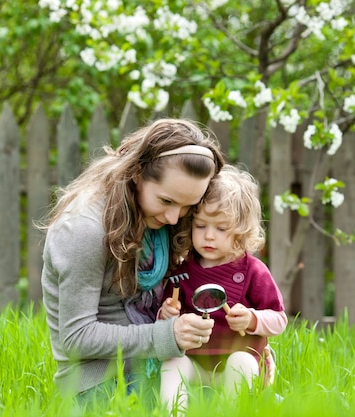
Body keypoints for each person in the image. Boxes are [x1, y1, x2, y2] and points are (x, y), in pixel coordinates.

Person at [39, 118, 226, 405]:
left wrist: (250, 348)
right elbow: (76, 338)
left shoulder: (159, 222)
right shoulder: (85, 229)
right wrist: (166, 334)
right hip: (100, 381)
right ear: (137, 173)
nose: (175, 218)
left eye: (188, 206)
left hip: (159, 364)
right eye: (166, 201)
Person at [157, 164, 288, 415]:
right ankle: (173, 412)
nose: (208, 236)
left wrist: (252, 319)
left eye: (221, 228)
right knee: (172, 362)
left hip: (235, 361)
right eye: (201, 226)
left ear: (240, 231)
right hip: (195, 363)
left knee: (242, 363)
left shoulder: (253, 270)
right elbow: (165, 319)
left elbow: (279, 320)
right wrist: (167, 316)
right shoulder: (182, 272)